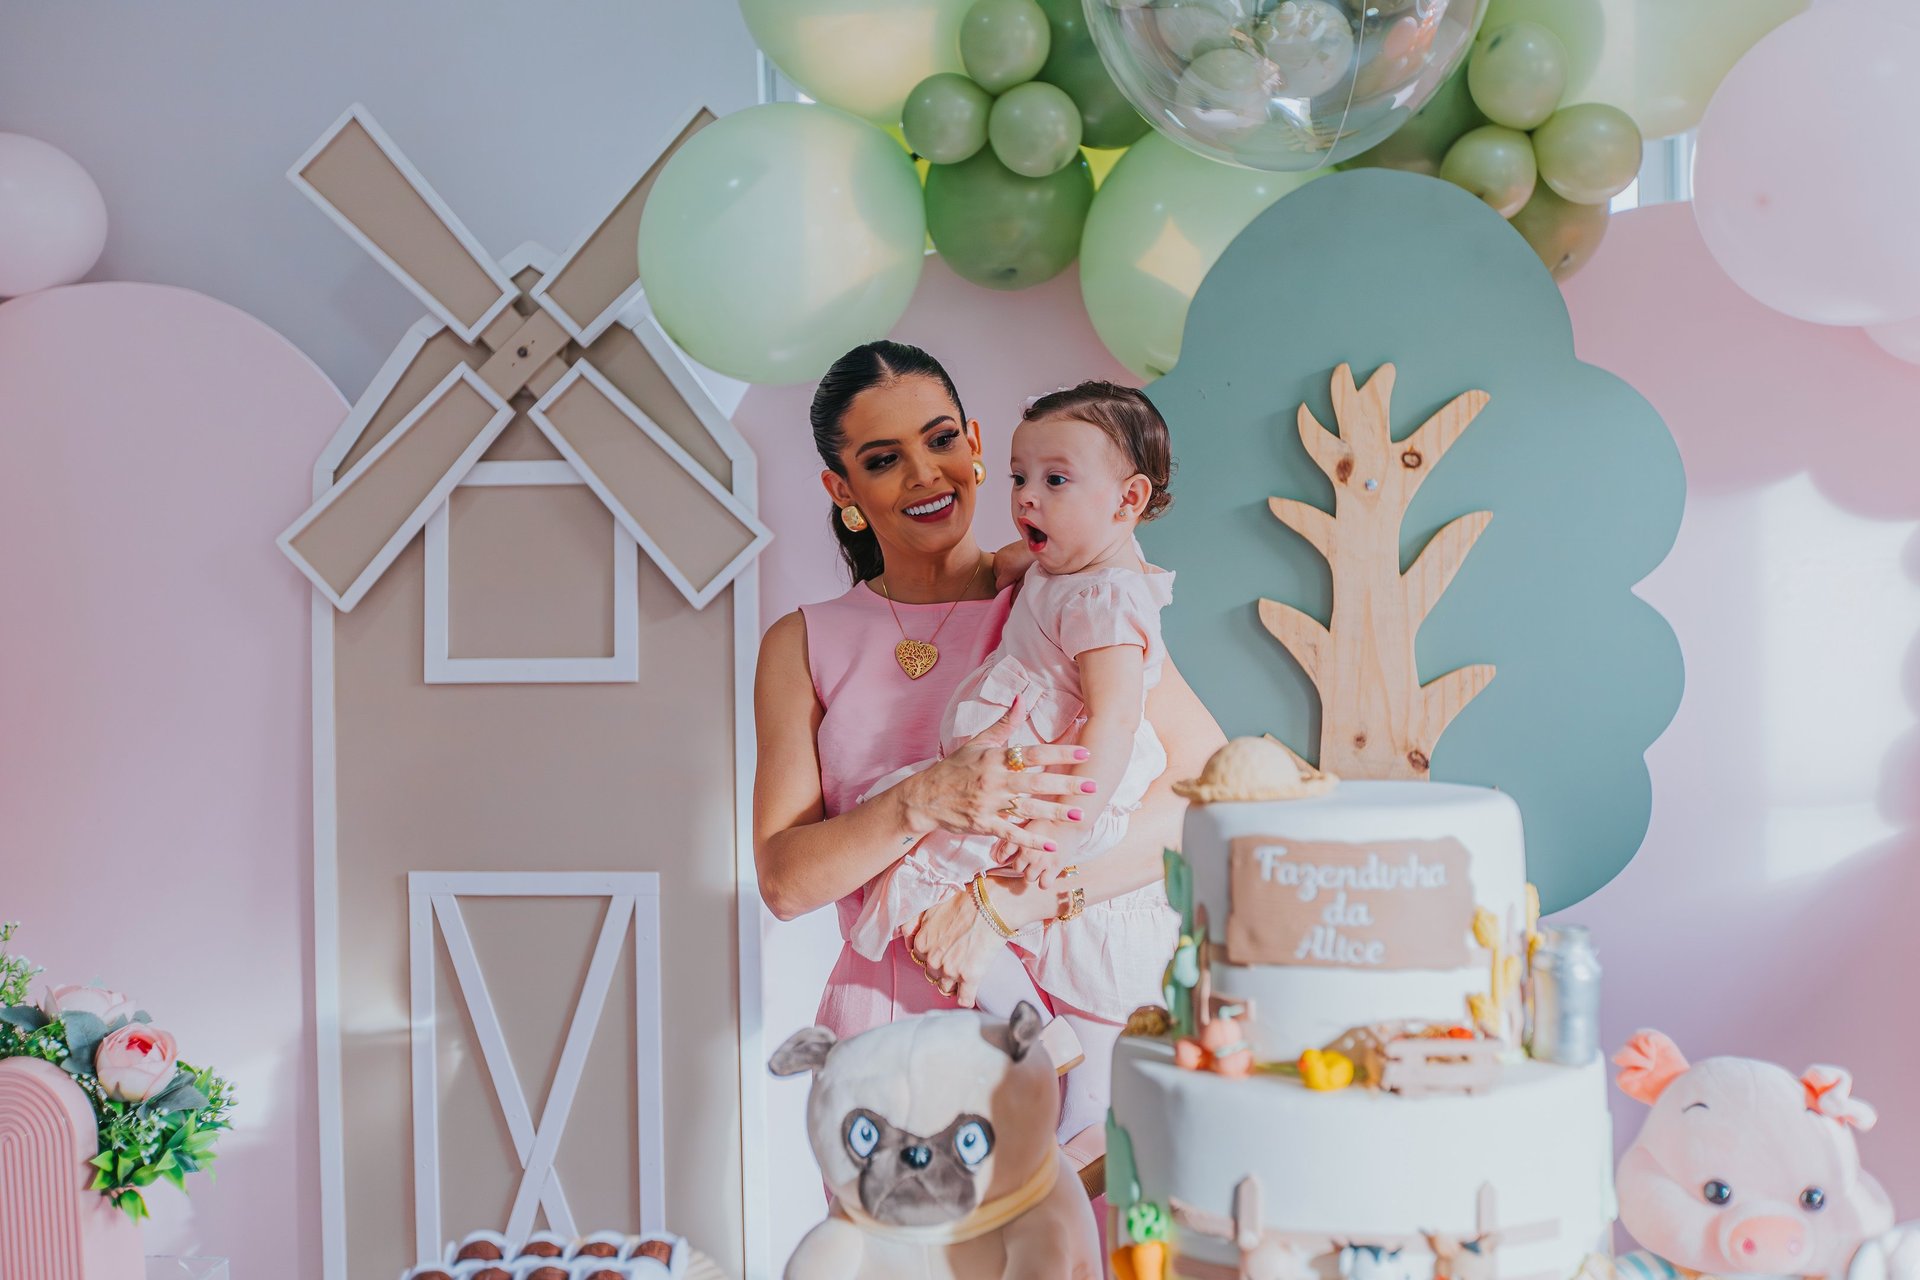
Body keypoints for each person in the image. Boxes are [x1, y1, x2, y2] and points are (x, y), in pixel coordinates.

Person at [750, 339, 1225, 1139]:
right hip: (896, 1030)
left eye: (939, 442)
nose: (925, 474)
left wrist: (1002, 906)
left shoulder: (1069, 599)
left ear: (974, 446)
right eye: (883, 459)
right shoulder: (803, 643)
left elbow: (1203, 791)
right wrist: (921, 799)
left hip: (1066, 1014)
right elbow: (787, 882)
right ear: (844, 490)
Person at [844, 381, 1183, 1145]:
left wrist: (1066, 826)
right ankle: (1076, 1089)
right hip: (1034, 778)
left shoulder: (1105, 600)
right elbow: (1002, 566)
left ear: (1126, 500)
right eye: (1020, 478)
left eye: (1055, 481)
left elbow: (1116, 716)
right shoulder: (1063, 570)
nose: (1027, 499)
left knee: (908, 864)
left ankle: (1029, 1026)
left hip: (1053, 786)